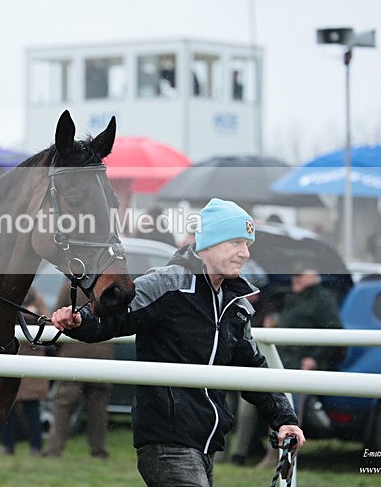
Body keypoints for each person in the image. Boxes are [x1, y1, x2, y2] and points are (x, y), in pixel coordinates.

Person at [52, 198, 305, 486]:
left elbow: (252, 368)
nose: (244, 253)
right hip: (166, 443)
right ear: (209, 243)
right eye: (236, 243)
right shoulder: (166, 283)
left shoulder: (236, 305)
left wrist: (285, 418)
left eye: (247, 245)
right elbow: (115, 316)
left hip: (206, 445)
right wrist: (80, 320)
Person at [44, 283, 114, 459]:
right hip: (101, 354)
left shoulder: (70, 286)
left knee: (64, 403)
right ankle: (98, 450)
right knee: (98, 407)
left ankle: (54, 448)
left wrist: (58, 347)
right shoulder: (107, 285)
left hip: (73, 353)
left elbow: (57, 317)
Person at [0, 289, 51, 456]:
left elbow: (48, 321)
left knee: (31, 408)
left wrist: (30, 314)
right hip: (12, 357)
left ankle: (35, 446)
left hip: (31, 361)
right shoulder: (9, 294)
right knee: (8, 408)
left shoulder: (37, 297)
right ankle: (8, 445)